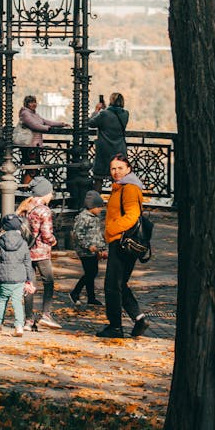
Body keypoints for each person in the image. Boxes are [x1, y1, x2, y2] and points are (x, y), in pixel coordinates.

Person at [98, 152, 148, 339]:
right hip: (121, 241)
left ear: (128, 169)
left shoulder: (129, 188)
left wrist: (111, 230)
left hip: (121, 241)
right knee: (119, 284)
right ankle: (139, 318)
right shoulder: (121, 187)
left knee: (112, 286)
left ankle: (115, 327)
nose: (116, 172)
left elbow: (132, 215)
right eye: (113, 168)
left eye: (120, 168)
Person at [0, 213, 35, 336]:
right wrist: (30, 279)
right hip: (19, 278)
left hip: (4, 278)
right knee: (17, 302)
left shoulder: (0, 243)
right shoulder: (23, 243)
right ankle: (19, 327)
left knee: (2, 301)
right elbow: (27, 262)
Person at [22, 176, 61, 331]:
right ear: (45, 193)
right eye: (50, 193)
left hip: (27, 251)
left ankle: (28, 320)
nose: (51, 195)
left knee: (29, 285)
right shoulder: (44, 210)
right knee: (48, 282)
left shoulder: (27, 207)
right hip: (41, 253)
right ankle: (46, 314)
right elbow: (46, 234)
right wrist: (53, 241)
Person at [69, 190, 106, 307]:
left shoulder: (95, 217)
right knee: (91, 273)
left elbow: (97, 234)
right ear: (92, 206)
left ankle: (91, 298)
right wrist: (88, 246)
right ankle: (75, 292)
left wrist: (102, 248)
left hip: (93, 250)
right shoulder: (83, 217)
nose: (101, 209)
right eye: (99, 207)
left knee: (92, 273)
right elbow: (78, 235)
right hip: (85, 251)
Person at [88, 92, 129, 192]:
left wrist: (96, 111)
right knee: (117, 178)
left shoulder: (104, 114)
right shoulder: (125, 114)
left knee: (98, 178)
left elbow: (90, 123)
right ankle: (117, 202)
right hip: (119, 149)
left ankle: (96, 204)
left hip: (104, 150)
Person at [17, 95, 62, 166]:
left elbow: (46, 121)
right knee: (31, 168)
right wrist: (47, 128)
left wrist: (61, 124)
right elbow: (34, 125)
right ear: (26, 104)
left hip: (35, 145)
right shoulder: (25, 114)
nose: (34, 104)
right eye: (31, 102)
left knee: (34, 167)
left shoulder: (35, 114)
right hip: (29, 145)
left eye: (34, 102)